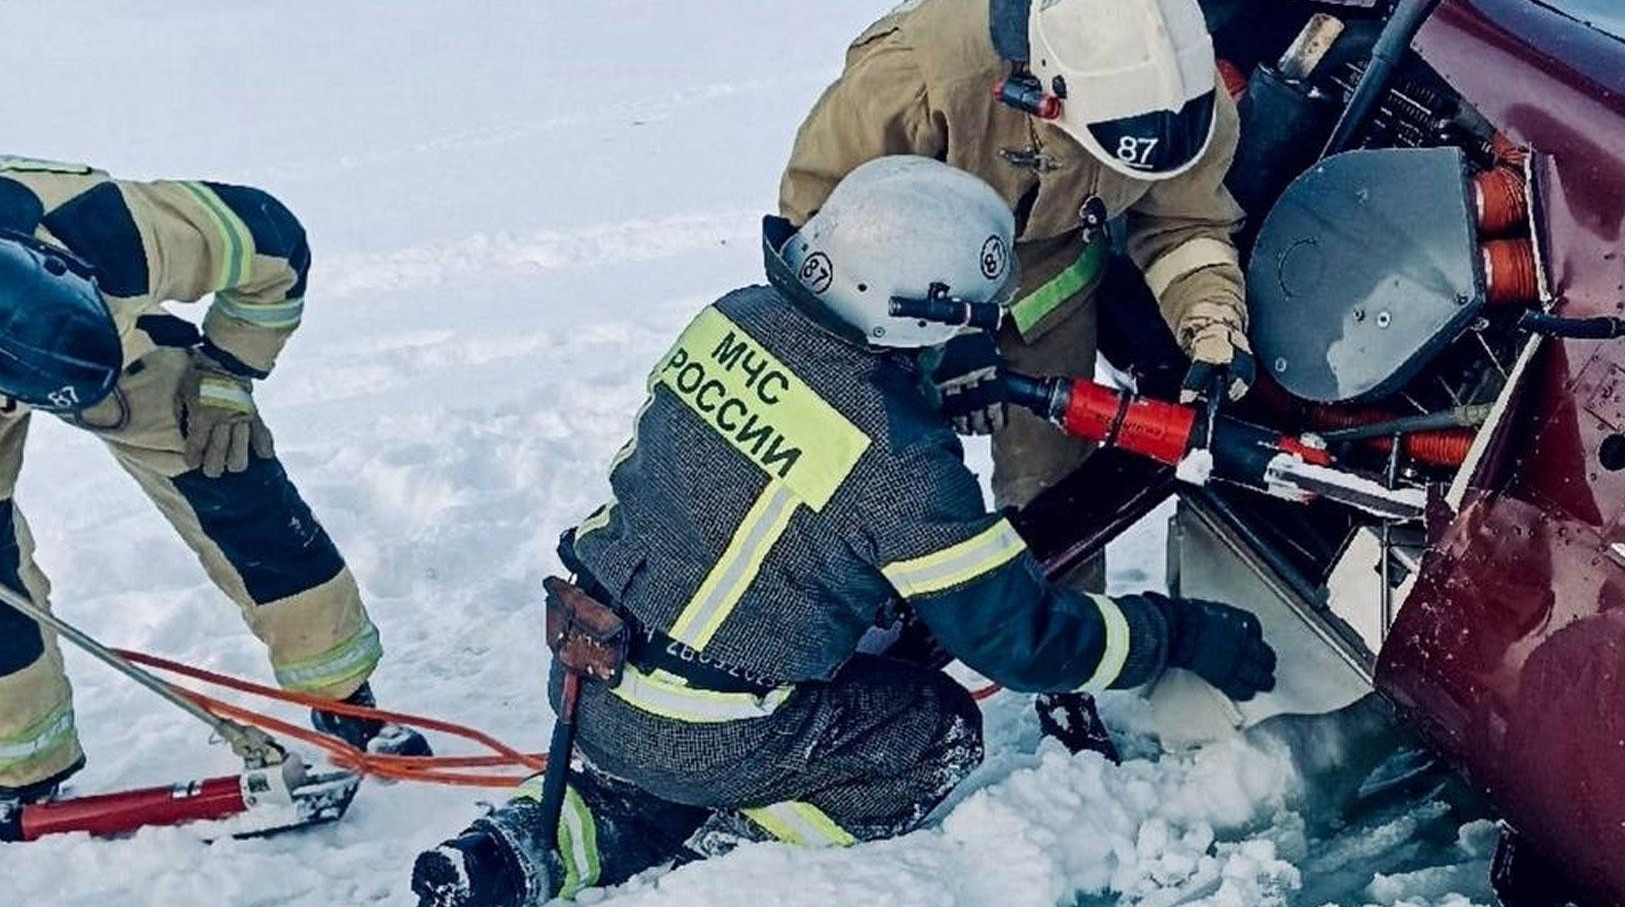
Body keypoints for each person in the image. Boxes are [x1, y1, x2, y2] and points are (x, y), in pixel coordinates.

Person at [412, 156, 1277, 906]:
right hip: (709, 724)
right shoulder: (901, 466)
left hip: (589, 672)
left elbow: (800, 439)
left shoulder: (736, 315)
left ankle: (529, 843)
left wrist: (920, 383)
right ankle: (736, 854)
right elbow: (1024, 641)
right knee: (930, 728)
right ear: (915, 318)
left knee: (681, 742)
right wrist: (1177, 635)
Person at [778, 0, 1256, 751]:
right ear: (1046, 94)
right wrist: (943, 341)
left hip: (1046, 279)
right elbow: (816, 219)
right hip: (886, 285)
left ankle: (1066, 679)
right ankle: (836, 646)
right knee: (873, 478)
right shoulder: (922, 73)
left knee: (1056, 486)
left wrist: (1213, 328)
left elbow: (1184, 223)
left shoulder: (1184, 101)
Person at [0, 155, 427, 811]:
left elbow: (275, 243)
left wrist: (228, 372)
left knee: (233, 480)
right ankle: (24, 765)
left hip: (123, 346)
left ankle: (344, 698)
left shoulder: (121, 233)